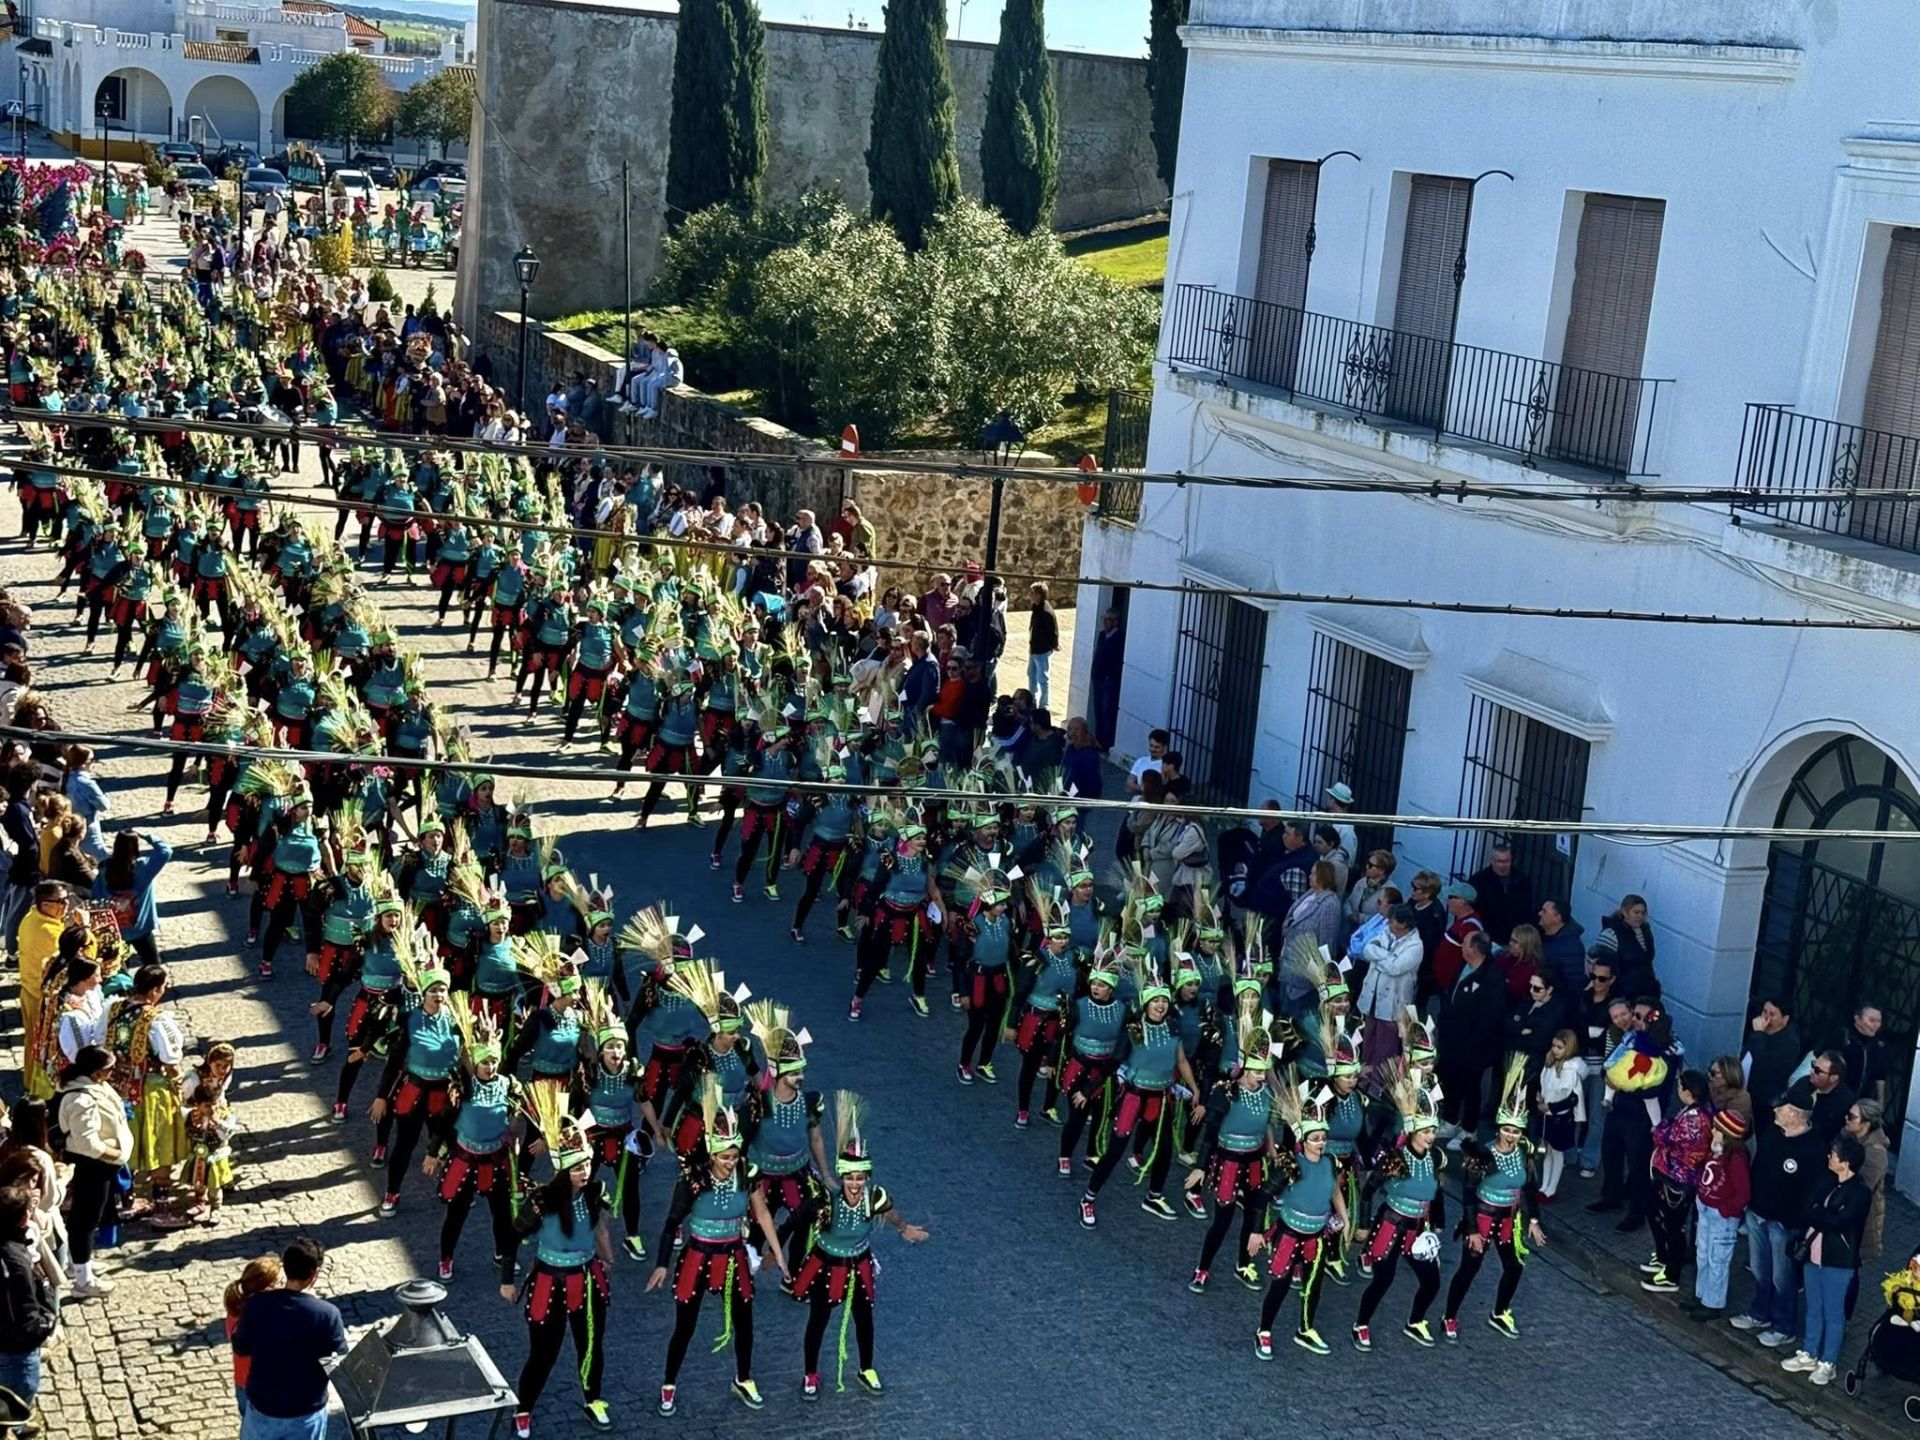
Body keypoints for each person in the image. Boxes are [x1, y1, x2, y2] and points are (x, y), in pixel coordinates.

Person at [789, 1093, 928, 1400]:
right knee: (818, 1319)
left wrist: (904, 1228)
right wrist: (773, 1250)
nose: (855, 1184)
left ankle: (866, 1368)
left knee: (864, 1318)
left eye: (860, 1178)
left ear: (867, 1177)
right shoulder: (827, 1200)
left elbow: (890, 1213)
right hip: (826, 1265)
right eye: (850, 1178)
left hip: (859, 1264)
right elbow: (796, 1219)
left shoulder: (874, 1197)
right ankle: (810, 1373)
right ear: (842, 1177)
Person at [1734, 1095, 1826, 1350]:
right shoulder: (1772, 1134)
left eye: (1781, 1108)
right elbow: (1757, 1167)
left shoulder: (1814, 1149)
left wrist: (1792, 1222)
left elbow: (1812, 1193)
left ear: (1794, 1114)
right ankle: (1759, 1313)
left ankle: (1783, 1327)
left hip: (1783, 1225)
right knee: (1759, 1268)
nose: (1775, 1110)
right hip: (1757, 1215)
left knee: (1782, 1278)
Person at [232, 1237, 347, 1440]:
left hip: (263, 1409)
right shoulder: (327, 1315)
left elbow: (241, 1347)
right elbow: (336, 1365)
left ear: (285, 1268)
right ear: (314, 1275)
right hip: (305, 1413)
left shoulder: (256, 1304)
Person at [1783, 1133, 1870, 1388]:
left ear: (1845, 1162)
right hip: (1814, 1254)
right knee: (1814, 1306)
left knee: (1833, 1312)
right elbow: (1807, 1207)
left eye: (1834, 1155)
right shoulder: (1827, 1180)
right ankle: (1809, 1353)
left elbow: (1839, 1221)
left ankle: (1828, 1362)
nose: (1829, 1157)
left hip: (1838, 1260)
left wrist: (1818, 1213)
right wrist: (1822, 1214)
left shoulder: (1860, 1192)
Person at [55, 1045, 131, 1299]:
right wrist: (115, 1155)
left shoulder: (94, 1085)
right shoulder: (80, 1100)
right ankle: (83, 1280)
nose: (113, 1072)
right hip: (91, 1165)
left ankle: (79, 1262)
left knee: (89, 1216)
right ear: (96, 1072)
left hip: (99, 1165)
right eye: (110, 1068)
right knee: (85, 1220)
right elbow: (88, 1143)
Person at [1643, 1068, 1713, 1295]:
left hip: (1679, 1182)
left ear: (1689, 1091)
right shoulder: (1690, 1112)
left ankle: (1671, 1275)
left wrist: (1662, 1129)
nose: (1677, 1089)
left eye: (1680, 1085)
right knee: (1656, 1216)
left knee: (1674, 1227)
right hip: (1668, 1176)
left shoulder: (1695, 1119)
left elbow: (1664, 1135)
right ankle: (1663, 1256)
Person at [1435, 931, 1505, 1145]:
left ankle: (1469, 1130)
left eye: (1465, 944)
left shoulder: (1491, 978)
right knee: (1451, 1081)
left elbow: (1490, 1019)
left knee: (1471, 1087)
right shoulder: (1464, 966)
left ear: (1475, 949)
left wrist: (1473, 1045)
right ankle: (1450, 1121)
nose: (1461, 947)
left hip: (1474, 1048)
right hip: (1451, 1042)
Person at [1683, 1110, 1751, 1321]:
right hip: (1706, 1209)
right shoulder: (1716, 1151)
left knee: (1718, 1260)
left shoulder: (1736, 1159)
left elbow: (1743, 1193)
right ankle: (1701, 1294)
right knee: (1702, 1254)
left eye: (1716, 1128)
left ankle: (1713, 1303)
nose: (1712, 1131)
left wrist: (1726, 1209)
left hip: (1722, 1217)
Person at [0, 1182, 56, 1429]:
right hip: (15, 1347)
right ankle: (15, 1427)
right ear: (24, 1217)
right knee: (18, 1394)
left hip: (8, 1340)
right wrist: (44, 1325)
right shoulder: (13, 1261)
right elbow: (23, 1310)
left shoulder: (11, 1247)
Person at [93, 830, 173, 969]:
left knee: (119, 968)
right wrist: (149, 836)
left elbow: (96, 895)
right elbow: (165, 851)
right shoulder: (144, 868)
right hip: (141, 927)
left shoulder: (105, 869)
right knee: (152, 964)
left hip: (116, 929)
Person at [225, 1257, 284, 1422]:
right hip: (263, 1387)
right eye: (280, 1283)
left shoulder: (236, 1310)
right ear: (268, 1289)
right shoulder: (263, 1318)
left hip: (243, 1382)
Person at [1844, 1099, 1889, 1315]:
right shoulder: (1849, 1136)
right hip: (1849, 1213)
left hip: (1860, 1220)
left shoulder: (1875, 1153)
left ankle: (1845, 1313)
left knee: (1850, 1267)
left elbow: (1862, 1188)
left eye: (1852, 1117)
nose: (1846, 1119)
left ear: (1866, 1124)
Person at [1535, 1031, 1587, 1202]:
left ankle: (1551, 1189)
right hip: (1547, 1115)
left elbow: (1572, 1099)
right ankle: (1544, 1186)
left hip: (1560, 1117)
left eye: (1560, 1047)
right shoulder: (1550, 1064)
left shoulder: (1570, 1070)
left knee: (1557, 1152)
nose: (1555, 1050)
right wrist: (1540, 1097)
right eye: (1554, 1046)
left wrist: (1550, 1106)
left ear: (1568, 1048)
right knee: (1547, 1151)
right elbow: (1545, 1086)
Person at [1588, 894, 1657, 996]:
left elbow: (1647, 962)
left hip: (1644, 991)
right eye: (1636, 912)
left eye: (1643, 913)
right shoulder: (1611, 934)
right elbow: (1599, 963)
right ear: (1625, 912)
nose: (1640, 916)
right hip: (1620, 993)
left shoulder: (1645, 931)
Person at [1465, 844, 1533, 946]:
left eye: (1506, 861)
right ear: (1492, 861)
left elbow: (1527, 909)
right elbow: (1470, 908)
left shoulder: (1522, 880)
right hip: (1486, 937)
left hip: (1514, 938)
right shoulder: (1479, 880)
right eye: (1499, 861)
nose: (1503, 865)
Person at [1743, 996, 1803, 1112]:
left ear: (1785, 1019)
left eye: (1772, 1014)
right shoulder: (1759, 1029)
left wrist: (1758, 1034)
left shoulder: (1789, 1043)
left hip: (1760, 1099)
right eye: (1764, 1011)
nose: (1766, 1018)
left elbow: (1762, 1065)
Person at [1787, 1051, 1856, 1145]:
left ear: (1833, 1078)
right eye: (1813, 1065)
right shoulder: (1805, 1082)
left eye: (1817, 1070)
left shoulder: (1845, 1103)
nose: (1812, 1071)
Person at [1835, 1005, 1889, 1110]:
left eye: (1879, 1021)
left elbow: (1880, 1075)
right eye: (1871, 1020)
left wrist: (1880, 1101)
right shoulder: (1843, 1037)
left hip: (1861, 1102)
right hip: (1837, 1095)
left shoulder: (1877, 1046)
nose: (1876, 1025)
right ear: (1857, 1019)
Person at [1535, 899, 1586, 999]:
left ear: (1557, 918)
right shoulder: (1545, 936)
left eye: (1544, 911)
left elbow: (1573, 987)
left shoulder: (1571, 949)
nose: (1539, 913)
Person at [1090, 607, 1125, 751]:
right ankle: (1098, 741)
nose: (1105, 622)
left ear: (1116, 622)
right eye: (1104, 619)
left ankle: (1106, 744)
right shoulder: (1102, 635)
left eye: (1109, 620)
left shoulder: (1120, 638)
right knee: (1098, 711)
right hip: (1098, 678)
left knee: (1107, 713)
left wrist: (1110, 675)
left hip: (1109, 681)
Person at [1025, 583, 1057, 709]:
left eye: (1032, 593)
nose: (1030, 595)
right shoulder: (1037, 608)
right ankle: (1032, 700)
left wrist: (1053, 645)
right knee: (1031, 674)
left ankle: (1044, 704)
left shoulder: (1046, 612)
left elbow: (1053, 631)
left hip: (1042, 650)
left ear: (1039, 595)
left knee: (1042, 678)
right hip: (1034, 648)